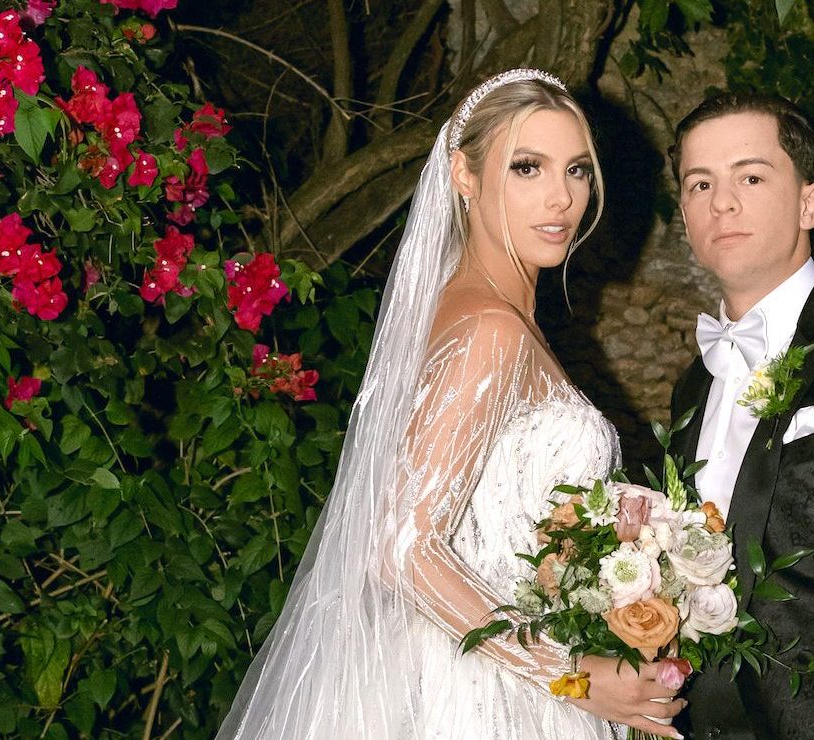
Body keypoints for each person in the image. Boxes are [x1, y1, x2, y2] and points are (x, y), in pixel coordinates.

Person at [217, 69, 684, 739]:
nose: (561, 197)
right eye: (527, 167)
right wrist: (571, 671)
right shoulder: (491, 330)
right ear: (464, 174)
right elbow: (401, 546)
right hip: (483, 694)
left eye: (578, 170)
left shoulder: (477, 314)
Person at [667, 92, 814, 740]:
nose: (721, 203)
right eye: (700, 184)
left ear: (808, 202)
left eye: (750, 177)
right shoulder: (691, 388)